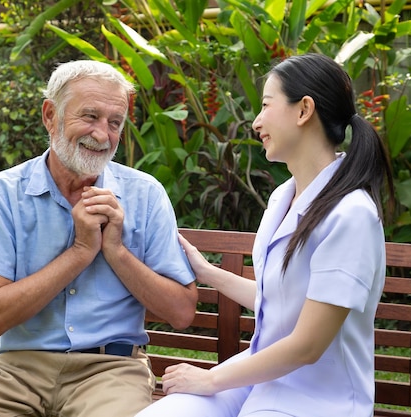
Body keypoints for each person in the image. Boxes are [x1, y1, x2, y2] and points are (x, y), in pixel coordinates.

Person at [0, 60, 198, 417]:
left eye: (115, 123)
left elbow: (182, 312)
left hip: (111, 371)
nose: (102, 135)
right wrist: (80, 252)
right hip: (16, 372)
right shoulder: (3, 193)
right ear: (51, 116)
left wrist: (115, 250)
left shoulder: (145, 194)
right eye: (90, 116)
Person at [136, 53, 395, 417]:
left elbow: (307, 346)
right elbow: (279, 301)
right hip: (261, 380)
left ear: (304, 110)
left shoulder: (351, 215)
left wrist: (211, 379)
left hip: (317, 398)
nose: (256, 122)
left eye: (266, 106)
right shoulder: (282, 198)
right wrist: (207, 272)